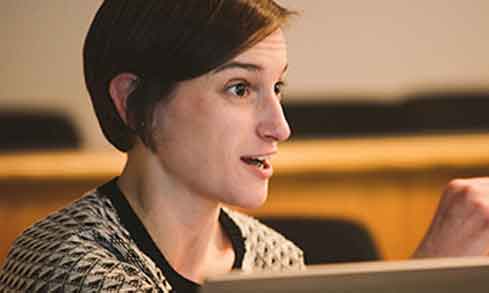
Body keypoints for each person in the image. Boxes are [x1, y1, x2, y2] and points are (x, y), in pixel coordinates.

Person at [1, 0, 489, 292]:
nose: (279, 127)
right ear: (132, 100)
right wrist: (426, 276)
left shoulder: (277, 260)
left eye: (277, 88)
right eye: (239, 88)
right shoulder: (64, 265)